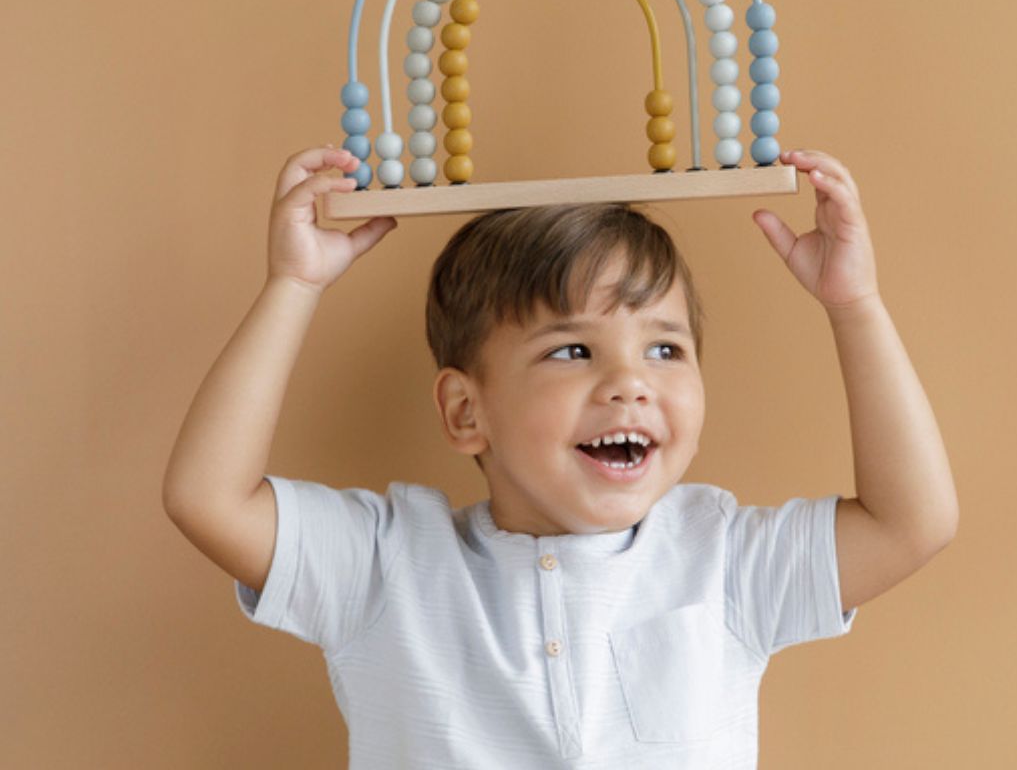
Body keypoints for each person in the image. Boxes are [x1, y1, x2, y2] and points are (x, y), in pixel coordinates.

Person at [162, 144, 958, 769]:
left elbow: (911, 521)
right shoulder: (388, 566)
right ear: (466, 411)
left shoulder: (725, 561)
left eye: (665, 349)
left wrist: (855, 306)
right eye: (574, 350)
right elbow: (209, 498)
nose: (630, 384)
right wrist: (292, 287)